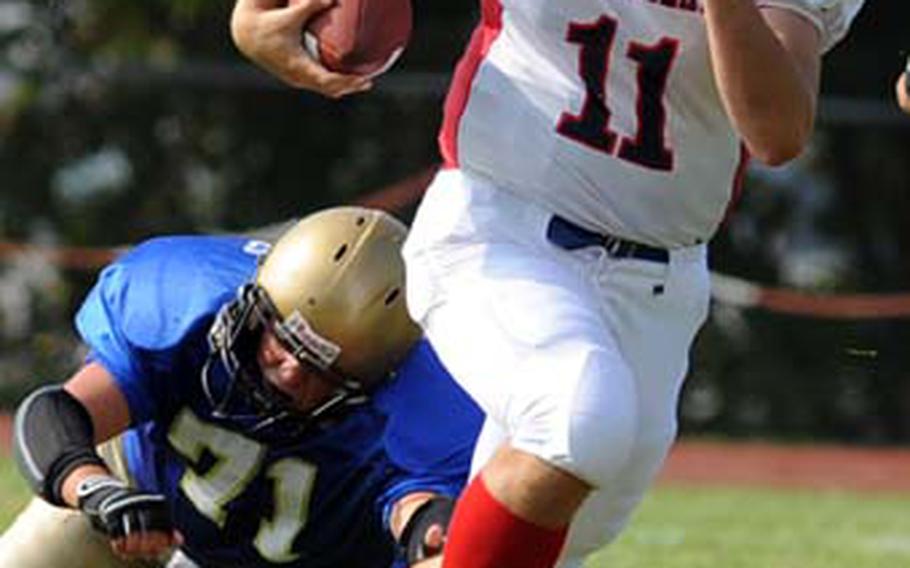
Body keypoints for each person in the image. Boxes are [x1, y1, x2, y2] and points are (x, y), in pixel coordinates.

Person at [229, 1, 867, 566]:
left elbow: (778, 133)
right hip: (499, 227)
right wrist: (253, 18)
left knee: (553, 535)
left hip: (659, 282)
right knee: (578, 420)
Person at [2, 206, 482, 568]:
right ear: (255, 301)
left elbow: (423, 515)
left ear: (376, 377)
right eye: (283, 339)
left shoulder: (431, 397)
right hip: (136, 493)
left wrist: (429, 527)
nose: (290, 371)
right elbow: (58, 417)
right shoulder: (189, 295)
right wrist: (99, 491)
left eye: (322, 370)